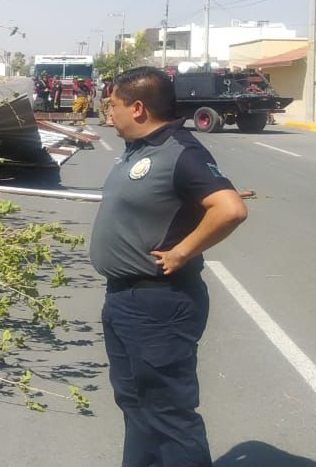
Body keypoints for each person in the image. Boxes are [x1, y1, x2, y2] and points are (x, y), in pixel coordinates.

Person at [92, 66, 247, 467]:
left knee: (167, 413)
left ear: (138, 108)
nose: (109, 115)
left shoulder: (181, 150)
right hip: (124, 301)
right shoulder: (143, 149)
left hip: (158, 305)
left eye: (114, 106)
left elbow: (230, 209)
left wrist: (181, 252)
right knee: (134, 403)